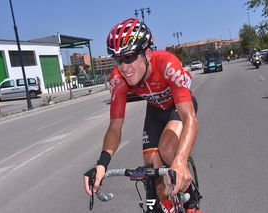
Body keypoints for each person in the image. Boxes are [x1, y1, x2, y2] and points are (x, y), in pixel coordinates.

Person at [83, 18, 199, 212]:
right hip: (154, 112)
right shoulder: (118, 79)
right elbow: (114, 127)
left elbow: (190, 119)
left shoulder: (167, 64)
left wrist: (179, 161)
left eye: (129, 57)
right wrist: (101, 164)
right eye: (118, 60)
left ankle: (191, 197)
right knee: (152, 176)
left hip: (177, 108)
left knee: (168, 148)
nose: (124, 67)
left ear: (147, 53)